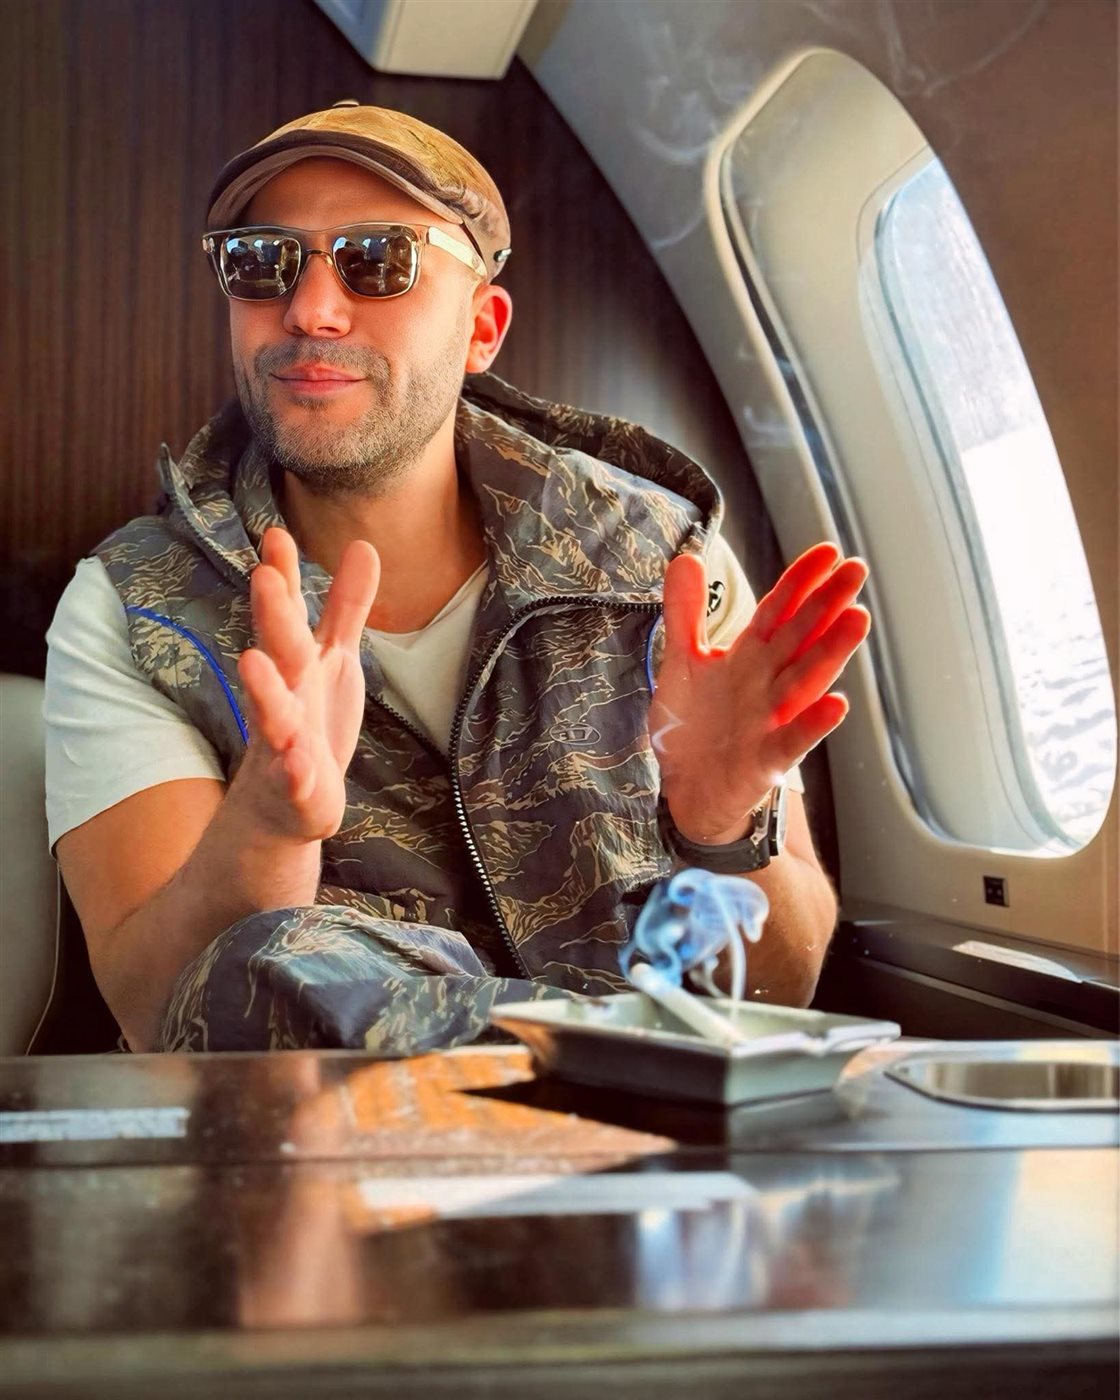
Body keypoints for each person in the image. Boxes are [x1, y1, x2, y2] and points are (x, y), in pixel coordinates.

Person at [44, 103, 871, 1055]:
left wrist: (723, 830)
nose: (311, 311)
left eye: (378, 260)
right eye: (263, 261)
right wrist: (268, 826)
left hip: (651, 1141)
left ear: (482, 328)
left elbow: (782, 990)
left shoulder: (662, 564)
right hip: (335, 1149)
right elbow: (154, 1010)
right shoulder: (134, 605)